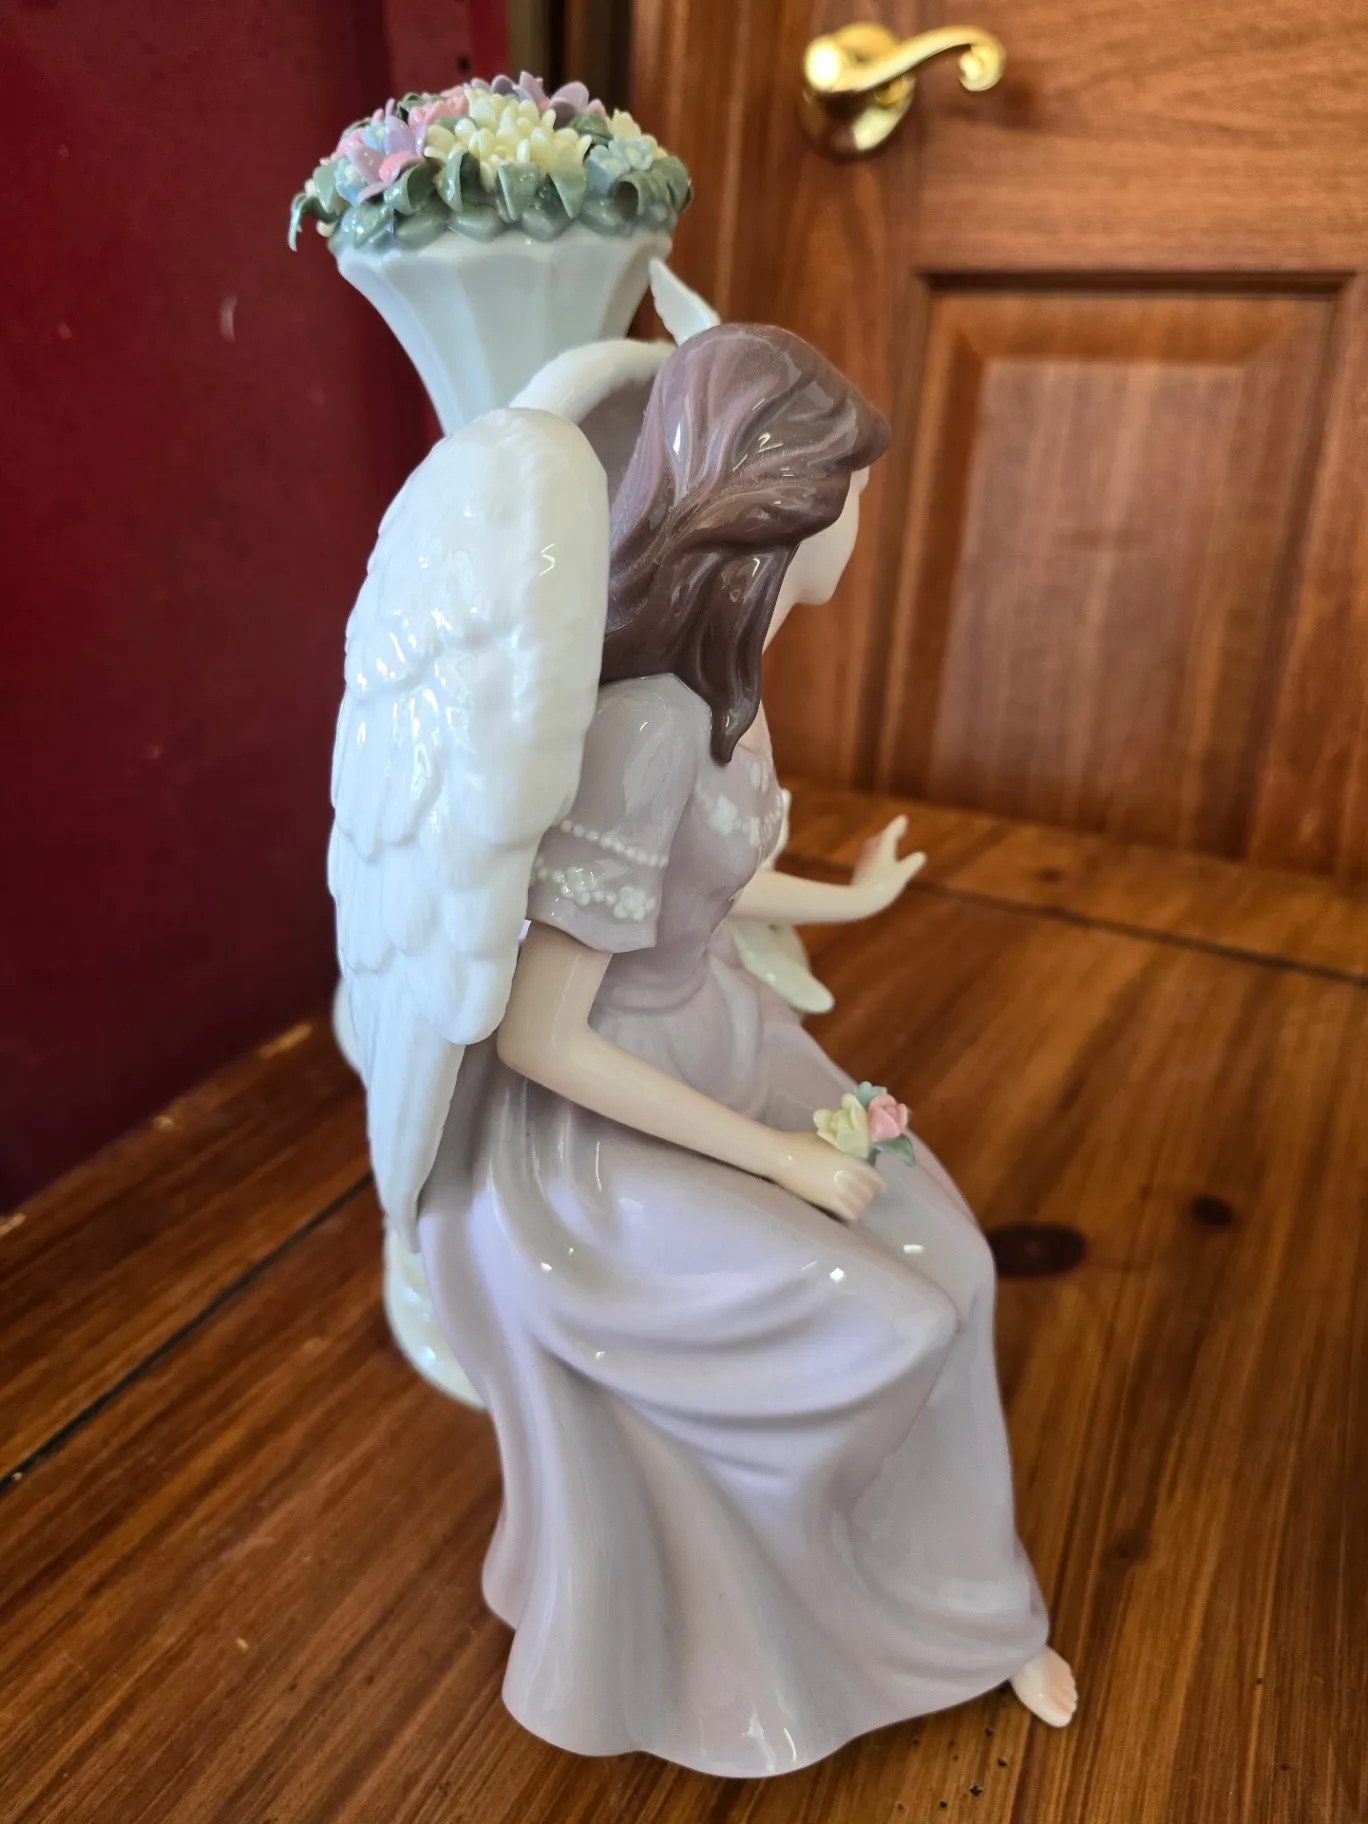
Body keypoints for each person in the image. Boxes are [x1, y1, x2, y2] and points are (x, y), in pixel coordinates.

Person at [416, 323, 1077, 1775]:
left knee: (961, 1269)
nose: (861, 522)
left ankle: (969, 1613)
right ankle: (785, 1612)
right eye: (853, 493)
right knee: (884, 1324)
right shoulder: (641, 728)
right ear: (785, 509)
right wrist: (778, 1159)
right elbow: (541, 1035)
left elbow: (698, 884)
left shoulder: (724, 690)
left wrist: (853, 897)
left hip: (727, 1043)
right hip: (607, 1132)